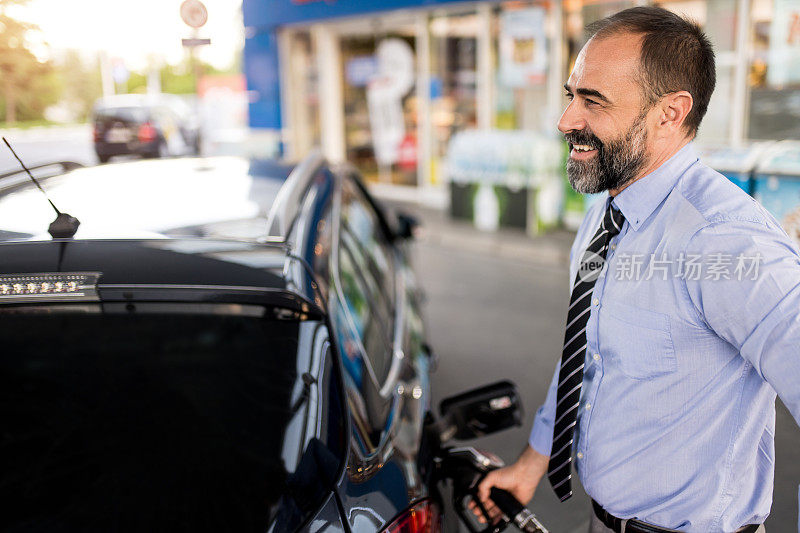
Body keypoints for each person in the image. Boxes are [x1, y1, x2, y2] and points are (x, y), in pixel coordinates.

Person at [471, 6, 800, 533]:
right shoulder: (607, 208)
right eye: (570, 95)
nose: (566, 121)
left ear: (670, 112)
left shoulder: (731, 243)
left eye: (593, 101)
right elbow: (587, 352)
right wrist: (532, 463)